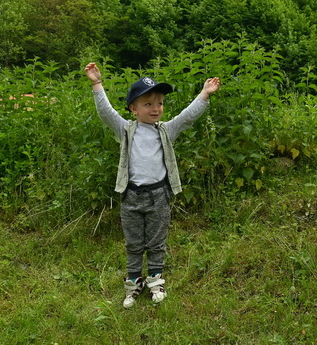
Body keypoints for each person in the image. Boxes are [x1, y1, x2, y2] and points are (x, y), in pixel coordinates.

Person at [84, 62, 220, 309]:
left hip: (159, 195)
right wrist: (97, 83)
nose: (156, 109)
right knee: (133, 243)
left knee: (157, 242)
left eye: (159, 103)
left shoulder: (166, 130)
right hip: (131, 196)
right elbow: (106, 113)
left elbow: (187, 116)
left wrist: (204, 94)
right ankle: (134, 282)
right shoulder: (126, 130)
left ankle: (156, 281)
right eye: (148, 104)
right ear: (133, 109)